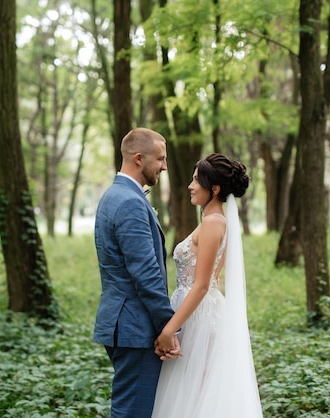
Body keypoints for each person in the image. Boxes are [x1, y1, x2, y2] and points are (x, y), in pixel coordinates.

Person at [152, 153, 263, 418]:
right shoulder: (214, 221)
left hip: (199, 316)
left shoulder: (214, 223)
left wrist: (170, 329)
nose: (190, 186)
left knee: (196, 394)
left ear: (214, 189)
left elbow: (202, 285)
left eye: (196, 180)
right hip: (196, 310)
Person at [93, 127, 180, 418]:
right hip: (135, 328)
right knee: (132, 413)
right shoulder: (130, 202)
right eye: (161, 159)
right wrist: (167, 328)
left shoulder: (114, 195)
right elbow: (146, 274)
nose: (165, 166)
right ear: (139, 158)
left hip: (122, 324)